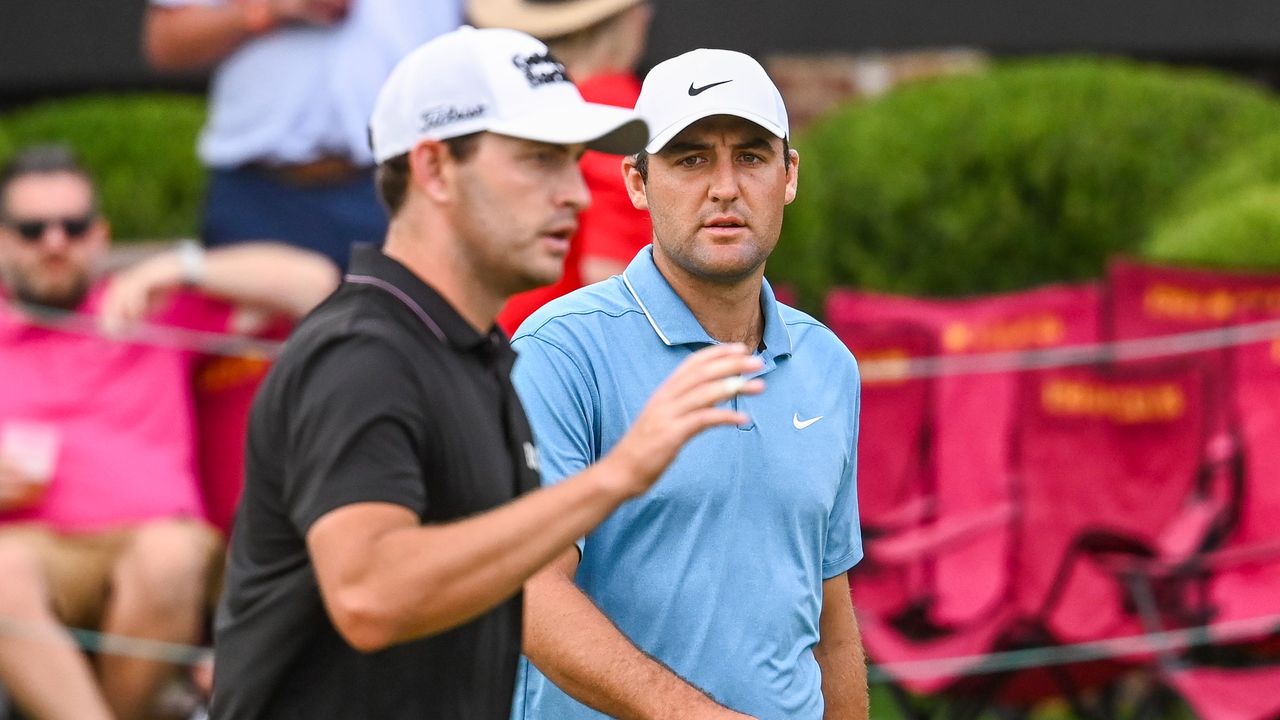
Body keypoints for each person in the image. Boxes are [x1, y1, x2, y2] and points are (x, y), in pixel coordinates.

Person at [210, 27, 764, 720]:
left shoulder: (478, 355)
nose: (577, 195)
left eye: (572, 161)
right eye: (538, 160)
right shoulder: (361, 354)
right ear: (435, 169)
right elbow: (370, 596)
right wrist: (617, 477)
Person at [509, 49, 870, 719]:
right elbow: (530, 595)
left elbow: (832, 623)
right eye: (691, 158)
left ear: (789, 175)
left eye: (752, 157)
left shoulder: (828, 362)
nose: (725, 187)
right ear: (637, 182)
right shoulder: (559, 351)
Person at [0, 144, 340, 720]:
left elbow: (316, 283)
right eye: (33, 229)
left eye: (74, 226)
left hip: (159, 539)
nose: (55, 242)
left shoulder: (151, 303)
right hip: (28, 547)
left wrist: (182, 264)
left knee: (169, 555)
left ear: (100, 235)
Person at [142, 0, 463, 269]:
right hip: (261, 192)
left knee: (409, 338)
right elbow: (167, 42)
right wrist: (271, 8)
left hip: (399, 184)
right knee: (248, 343)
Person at [468, 0, 655, 333]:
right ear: (625, 20)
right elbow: (613, 276)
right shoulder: (612, 106)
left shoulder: (528, 109)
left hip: (510, 334)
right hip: (566, 352)